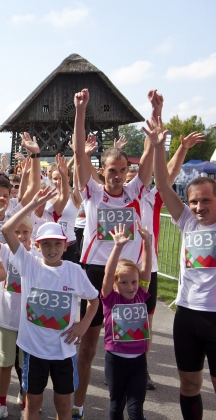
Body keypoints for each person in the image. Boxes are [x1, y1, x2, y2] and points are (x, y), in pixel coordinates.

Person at [72, 88, 155, 420]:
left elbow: (149, 154)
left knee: (132, 342)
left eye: (122, 170)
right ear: (102, 171)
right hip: (96, 272)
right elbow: (79, 152)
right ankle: (78, 406)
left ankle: (128, 405)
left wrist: (155, 112)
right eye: (111, 170)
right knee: (89, 347)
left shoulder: (135, 190)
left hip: (128, 273)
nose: (118, 175)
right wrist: (80, 111)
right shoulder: (92, 192)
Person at [2, 187, 99, 420]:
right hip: (34, 350)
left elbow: (94, 300)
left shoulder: (74, 271)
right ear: (37, 246)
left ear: (66, 246)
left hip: (63, 351)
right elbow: (6, 230)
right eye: (46, 244)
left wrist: (84, 324)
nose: (52, 249)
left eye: (57, 244)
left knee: (63, 406)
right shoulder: (29, 264)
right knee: (33, 405)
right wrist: (33, 204)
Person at [145, 114, 216, 420]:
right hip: (187, 314)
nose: (199, 207)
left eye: (206, 201)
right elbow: (162, 184)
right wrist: (159, 146)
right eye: (195, 201)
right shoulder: (187, 221)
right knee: (188, 385)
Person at [0, 200, 41, 420]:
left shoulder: (37, 255)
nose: (20, 236)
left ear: (31, 233)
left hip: (28, 320)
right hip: (6, 317)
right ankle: (1, 404)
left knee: (25, 364)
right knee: (5, 361)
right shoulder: (6, 251)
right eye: (16, 232)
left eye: (25, 231)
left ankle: (26, 403)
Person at [101, 222, 152, 420]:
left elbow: (146, 268)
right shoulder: (110, 298)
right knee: (116, 405)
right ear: (115, 284)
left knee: (136, 408)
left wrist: (147, 242)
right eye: (124, 282)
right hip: (115, 360)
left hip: (139, 361)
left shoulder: (141, 294)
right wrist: (117, 247)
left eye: (134, 282)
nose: (130, 287)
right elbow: (108, 273)